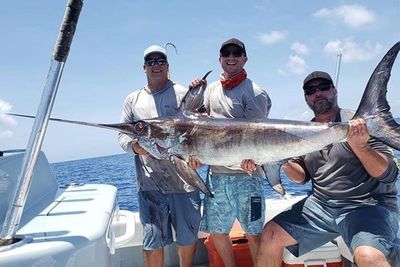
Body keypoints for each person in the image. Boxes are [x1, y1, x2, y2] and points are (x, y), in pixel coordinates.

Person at [255, 71, 400, 267]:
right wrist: (281, 159)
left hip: (366, 206)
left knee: (369, 257)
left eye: (323, 87)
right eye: (311, 90)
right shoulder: (303, 132)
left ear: (334, 90)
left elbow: (388, 174)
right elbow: (300, 178)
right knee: (270, 234)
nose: (318, 93)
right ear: (306, 97)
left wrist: (361, 147)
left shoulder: (359, 124)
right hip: (321, 206)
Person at [189, 38, 272, 266]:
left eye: (237, 53)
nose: (232, 57)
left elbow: (258, 136)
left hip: (248, 175)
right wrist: (194, 91)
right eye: (227, 53)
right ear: (220, 59)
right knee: (216, 231)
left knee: (254, 233)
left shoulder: (255, 92)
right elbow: (198, 123)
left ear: (245, 58)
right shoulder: (211, 90)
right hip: (216, 176)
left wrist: (254, 160)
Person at [118, 45, 201, 267]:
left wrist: (198, 157)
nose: (156, 65)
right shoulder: (132, 100)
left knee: (187, 238)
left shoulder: (183, 94)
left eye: (160, 60)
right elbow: (123, 137)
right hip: (149, 184)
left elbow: (201, 132)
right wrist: (135, 148)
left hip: (184, 181)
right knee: (152, 242)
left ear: (167, 65)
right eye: (151, 62)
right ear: (144, 67)